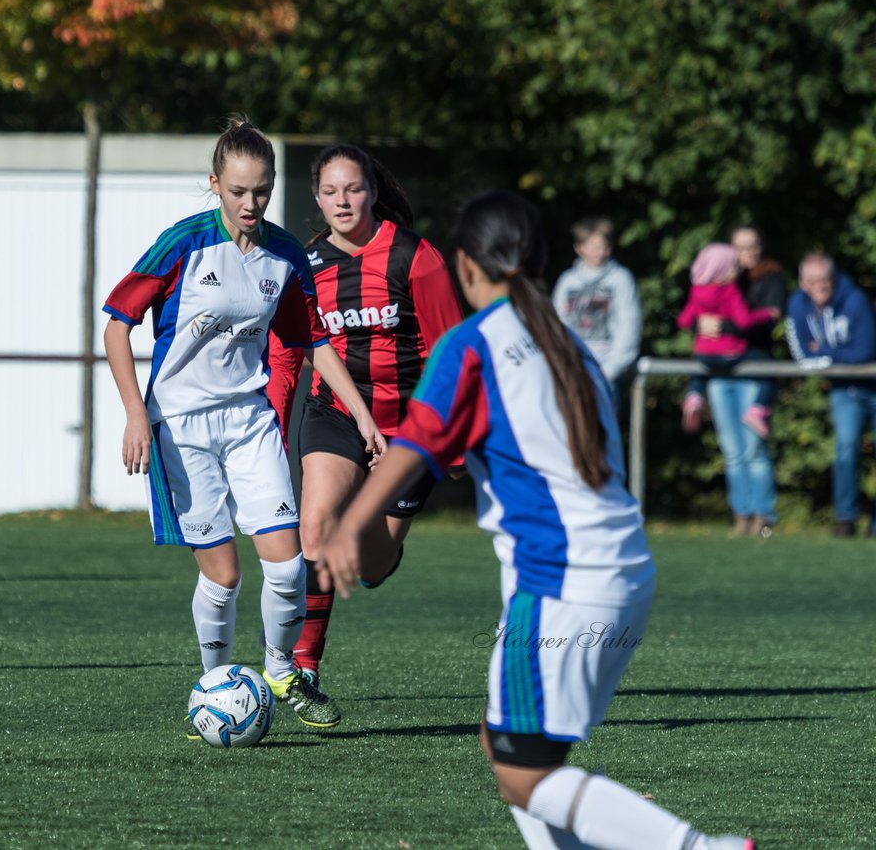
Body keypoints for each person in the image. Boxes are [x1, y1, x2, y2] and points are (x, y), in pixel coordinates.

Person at [316, 190, 755, 850]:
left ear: (465, 266)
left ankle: (698, 849)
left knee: (522, 774)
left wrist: (352, 526)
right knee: (511, 745)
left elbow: (416, 440)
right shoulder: (566, 343)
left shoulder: (474, 345)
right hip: (620, 572)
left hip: (562, 583)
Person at [103, 116, 385, 733]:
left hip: (250, 420)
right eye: (237, 191)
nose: (250, 203)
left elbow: (313, 340)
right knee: (226, 576)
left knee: (287, 566)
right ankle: (216, 683)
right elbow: (116, 325)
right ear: (214, 185)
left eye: (261, 190)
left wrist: (362, 414)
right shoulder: (182, 244)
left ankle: (281, 670)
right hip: (181, 426)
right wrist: (134, 414)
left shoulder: (285, 255)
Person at [268, 144, 465, 705]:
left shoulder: (415, 257)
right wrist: (274, 425)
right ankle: (302, 666)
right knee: (317, 524)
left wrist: (444, 447)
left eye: (353, 189)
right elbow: (289, 352)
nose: (342, 201)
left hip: (409, 428)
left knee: (372, 564)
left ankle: (382, 555)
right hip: (333, 413)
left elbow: (451, 352)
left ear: (373, 191)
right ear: (317, 198)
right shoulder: (304, 266)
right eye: (330, 192)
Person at [785, 253, 876, 537]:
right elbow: (800, 353)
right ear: (802, 282)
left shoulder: (855, 300)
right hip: (844, 390)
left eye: (824, 280)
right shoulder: (797, 305)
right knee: (846, 450)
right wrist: (834, 358)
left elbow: (865, 351)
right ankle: (845, 518)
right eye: (812, 281)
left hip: (870, 386)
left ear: (833, 279)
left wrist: (824, 353)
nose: (819, 286)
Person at [684, 225, 788, 434]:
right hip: (722, 370)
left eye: (753, 246)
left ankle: (694, 395)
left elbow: (763, 324)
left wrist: (720, 327)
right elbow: (694, 318)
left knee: (753, 450)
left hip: (750, 367)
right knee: (732, 451)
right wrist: (701, 324)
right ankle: (695, 395)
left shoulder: (771, 277)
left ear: (761, 247)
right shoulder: (724, 282)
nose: (748, 252)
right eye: (741, 247)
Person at [551, 217, 640, 409]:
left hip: (606, 375)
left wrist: (610, 370)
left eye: (605, 246)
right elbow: (558, 325)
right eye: (595, 246)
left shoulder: (621, 279)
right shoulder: (567, 281)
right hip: (572, 372)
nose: (602, 252)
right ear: (579, 248)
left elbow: (629, 325)